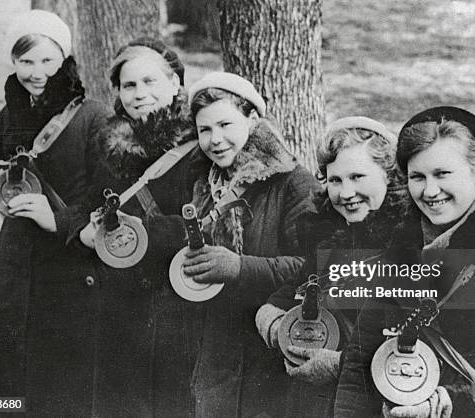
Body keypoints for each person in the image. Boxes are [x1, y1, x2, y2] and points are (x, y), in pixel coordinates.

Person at [334, 106, 475, 417]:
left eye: (442, 174)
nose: (430, 191)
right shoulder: (403, 247)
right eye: (418, 177)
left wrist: (448, 404)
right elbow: (360, 365)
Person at [0, 10, 110, 415]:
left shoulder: (93, 116)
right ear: (14, 62)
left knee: (56, 383)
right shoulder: (12, 112)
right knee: (2, 379)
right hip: (13, 262)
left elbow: (110, 195)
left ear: (64, 60)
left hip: (67, 261)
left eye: (47, 60)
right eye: (26, 61)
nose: (36, 71)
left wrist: (59, 219)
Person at [76, 37, 209, 416]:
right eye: (129, 85)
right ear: (117, 93)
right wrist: (84, 231)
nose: (140, 94)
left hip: (181, 307)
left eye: (151, 82)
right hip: (121, 309)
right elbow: (85, 206)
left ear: (175, 84)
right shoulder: (110, 144)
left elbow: (211, 219)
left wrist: (142, 232)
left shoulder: (200, 143)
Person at [184, 71, 319, 416]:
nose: (216, 139)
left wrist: (240, 267)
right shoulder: (203, 183)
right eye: (205, 130)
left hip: (269, 352)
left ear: (253, 119)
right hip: (216, 352)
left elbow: (313, 268)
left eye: (226, 124)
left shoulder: (292, 183)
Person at [255, 116, 409, 416]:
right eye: (335, 180)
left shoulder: (407, 242)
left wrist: (339, 365)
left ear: (389, 176)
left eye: (357, 177)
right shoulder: (332, 233)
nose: (346, 193)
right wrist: (272, 317)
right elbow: (301, 284)